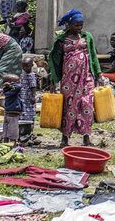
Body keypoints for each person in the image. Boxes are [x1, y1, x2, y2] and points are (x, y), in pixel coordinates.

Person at [48, 9, 101, 147]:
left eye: (81, 24)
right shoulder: (61, 39)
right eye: (77, 25)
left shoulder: (87, 36)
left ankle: (86, 138)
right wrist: (55, 79)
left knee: (87, 105)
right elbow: (54, 60)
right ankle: (65, 138)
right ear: (69, 25)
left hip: (86, 78)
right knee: (69, 106)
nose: (79, 27)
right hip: (69, 80)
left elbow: (93, 56)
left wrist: (99, 73)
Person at [19, 58, 38, 144]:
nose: (25, 68)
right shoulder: (22, 75)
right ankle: (22, 133)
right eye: (23, 66)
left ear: (31, 66)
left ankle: (28, 133)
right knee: (22, 114)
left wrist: (33, 97)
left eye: (27, 66)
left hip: (29, 99)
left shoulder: (32, 75)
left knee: (29, 116)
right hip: (22, 98)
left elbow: (33, 87)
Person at [1, 73, 22, 144]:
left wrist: (9, 85)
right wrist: (10, 85)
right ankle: (12, 143)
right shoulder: (13, 90)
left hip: (7, 112)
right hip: (13, 112)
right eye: (17, 82)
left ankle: (5, 141)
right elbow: (18, 87)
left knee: (6, 127)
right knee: (13, 129)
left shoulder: (7, 90)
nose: (19, 83)